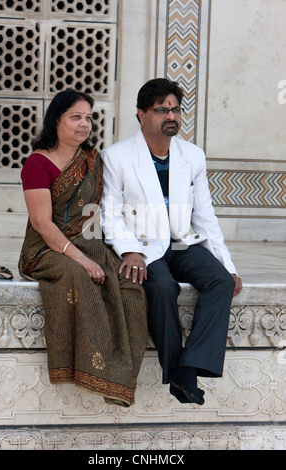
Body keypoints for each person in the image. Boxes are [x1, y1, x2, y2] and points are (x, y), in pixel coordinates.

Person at [101, 78, 242, 406]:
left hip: (181, 242)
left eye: (176, 109)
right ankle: (178, 370)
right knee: (162, 287)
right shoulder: (117, 156)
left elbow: (206, 216)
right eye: (161, 109)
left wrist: (228, 265)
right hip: (143, 243)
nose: (171, 115)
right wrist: (130, 250)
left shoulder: (192, 156)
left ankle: (187, 368)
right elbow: (108, 214)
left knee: (221, 282)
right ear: (141, 114)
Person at [18, 90, 148, 407]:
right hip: (47, 251)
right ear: (56, 120)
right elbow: (42, 223)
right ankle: (93, 369)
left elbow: (117, 209)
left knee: (129, 280)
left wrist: (131, 250)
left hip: (91, 242)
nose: (84, 124)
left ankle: (120, 376)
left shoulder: (94, 162)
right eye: (76, 116)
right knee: (80, 276)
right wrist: (82, 259)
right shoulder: (37, 163)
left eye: (89, 117)